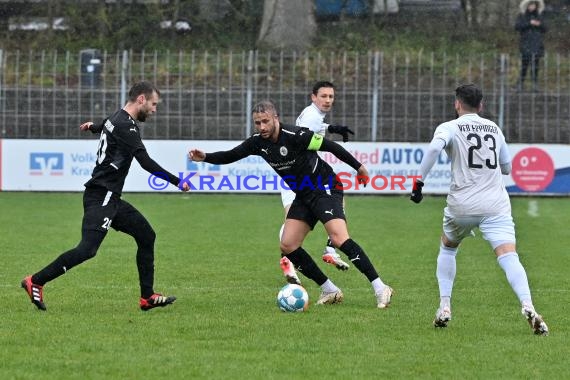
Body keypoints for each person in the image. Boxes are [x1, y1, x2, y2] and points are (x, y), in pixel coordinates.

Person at [189, 100, 393, 308]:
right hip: (303, 194)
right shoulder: (258, 142)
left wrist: (359, 167)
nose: (262, 127)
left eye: (265, 121)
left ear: (276, 118)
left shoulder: (297, 135)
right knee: (288, 245)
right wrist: (205, 157)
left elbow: (330, 146)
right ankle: (329, 289)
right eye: (257, 123)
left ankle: (380, 287)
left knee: (339, 237)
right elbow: (231, 155)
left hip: (324, 186)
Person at [21, 81, 190, 312]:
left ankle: (147, 297)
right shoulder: (127, 127)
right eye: (153, 104)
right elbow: (146, 162)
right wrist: (178, 181)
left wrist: (93, 126)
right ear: (141, 99)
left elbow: (106, 125)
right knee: (87, 249)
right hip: (102, 195)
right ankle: (36, 281)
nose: (154, 109)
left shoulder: (117, 118)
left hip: (110, 197)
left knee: (146, 236)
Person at [410, 84, 548, 335]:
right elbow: (506, 168)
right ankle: (528, 304)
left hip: (462, 204)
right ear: (481, 105)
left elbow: (433, 149)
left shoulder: (449, 127)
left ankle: (445, 306)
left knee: (448, 248)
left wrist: (419, 182)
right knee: (508, 255)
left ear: (457, 104)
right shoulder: (494, 128)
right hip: (495, 204)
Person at [279, 81, 354, 273]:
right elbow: (305, 138)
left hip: (296, 174)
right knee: (293, 221)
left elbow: (315, 127)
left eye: (331, 96)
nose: (328, 100)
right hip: (299, 175)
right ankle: (324, 251)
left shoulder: (313, 114)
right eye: (323, 96)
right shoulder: (312, 116)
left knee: (338, 201)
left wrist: (332, 128)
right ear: (314, 97)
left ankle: (319, 253)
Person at [515, 0, 547, 92]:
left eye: (533, 5)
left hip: (537, 45)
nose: (532, 6)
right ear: (527, 6)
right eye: (530, 5)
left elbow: (545, 28)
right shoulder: (522, 16)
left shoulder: (540, 16)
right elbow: (517, 27)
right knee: (524, 66)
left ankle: (535, 85)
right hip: (526, 44)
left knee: (535, 67)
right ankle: (520, 85)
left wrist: (539, 24)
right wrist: (529, 23)